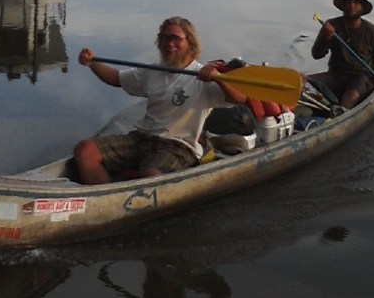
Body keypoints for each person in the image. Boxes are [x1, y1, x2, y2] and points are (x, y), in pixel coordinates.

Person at [73, 17, 247, 183]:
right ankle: (107, 200)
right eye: (164, 38)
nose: (169, 44)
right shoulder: (152, 71)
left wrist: (219, 79)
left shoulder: (202, 77)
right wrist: (92, 63)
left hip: (177, 146)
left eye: (175, 39)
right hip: (141, 138)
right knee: (85, 150)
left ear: (190, 43)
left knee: (152, 177)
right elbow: (116, 78)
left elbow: (239, 98)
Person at [309, 0, 374, 110]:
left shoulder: (371, 30)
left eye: (356, 3)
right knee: (306, 83)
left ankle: (339, 114)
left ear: (362, 7)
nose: (351, 6)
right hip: (335, 75)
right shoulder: (331, 25)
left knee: (349, 98)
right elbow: (316, 54)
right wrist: (326, 38)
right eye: (348, 2)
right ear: (343, 6)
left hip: (360, 77)